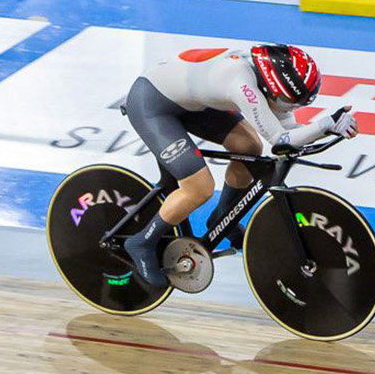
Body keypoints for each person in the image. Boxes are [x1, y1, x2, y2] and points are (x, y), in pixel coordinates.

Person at [119, 45, 359, 290]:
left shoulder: (269, 79)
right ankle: (141, 242)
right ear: (268, 87)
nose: (289, 108)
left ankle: (223, 217)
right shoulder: (240, 82)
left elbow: (288, 131)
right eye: (287, 101)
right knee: (199, 188)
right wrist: (324, 125)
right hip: (153, 105)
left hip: (190, 101)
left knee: (247, 146)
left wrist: (328, 127)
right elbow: (280, 140)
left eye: (297, 104)